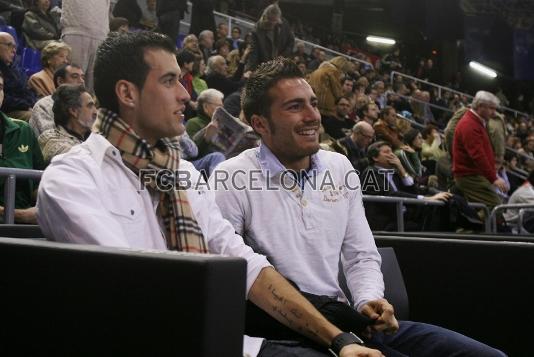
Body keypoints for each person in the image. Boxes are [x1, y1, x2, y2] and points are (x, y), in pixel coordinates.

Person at [35, 32, 380, 357]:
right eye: (170, 81)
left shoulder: (181, 174)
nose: (185, 94)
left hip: (227, 340)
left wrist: (339, 339)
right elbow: (134, 290)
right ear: (127, 94)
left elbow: (245, 266)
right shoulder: (72, 179)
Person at [212, 57, 504, 356]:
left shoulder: (338, 166)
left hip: (348, 319)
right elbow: (236, 278)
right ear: (259, 123)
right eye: (295, 106)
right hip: (284, 332)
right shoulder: (232, 176)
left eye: (313, 103)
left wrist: (368, 300)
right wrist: (337, 336)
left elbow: (361, 254)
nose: (313, 116)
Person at [0, 72, 45, 224]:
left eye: (0, 88)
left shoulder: (23, 130)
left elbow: (38, 184)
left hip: (25, 225)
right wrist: (16, 214)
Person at [452, 91, 508, 209]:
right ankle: (467, 227)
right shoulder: (470, 125)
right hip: (469, 176)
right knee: (495, 207)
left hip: (475, 174)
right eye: (491, 108)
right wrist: (494, 178)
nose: (494, 112)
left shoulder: (476, 122)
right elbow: (477, 155)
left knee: (492, 207)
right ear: (480, 106)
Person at [60, 0, 110, 92]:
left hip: (101, 33)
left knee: (94, 86)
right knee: (73, 79)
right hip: (76, 29)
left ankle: (92, 105)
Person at [38, 84, 97, 162]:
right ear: (73, 111)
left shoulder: (95, 136)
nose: (95, 112)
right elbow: (78, 159)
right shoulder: (50, 139)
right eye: (90, 106)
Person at [29, 63, 85, 137]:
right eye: (75, 77)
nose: (81, 81)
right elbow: (52, 139)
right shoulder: (43, 106)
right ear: (60, 81)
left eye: (82, 77)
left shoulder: (84, 105)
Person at [0, 31, 37, 121]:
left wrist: (31, 103)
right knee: (35, 118)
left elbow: (27, 90)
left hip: (23, 108)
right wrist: (26, 105)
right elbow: (4, 100)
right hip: (7, 111)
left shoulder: (16, 68)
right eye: (9, 45)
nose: (14, 50)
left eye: (15, 47)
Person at [246, 4, 294, 71]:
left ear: (278, 18)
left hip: (280, 65)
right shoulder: (256, 31)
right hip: (264, 67)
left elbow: (291, 42)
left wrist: (283, 56)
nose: (272, 23)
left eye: (274, 20)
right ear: (265, 17)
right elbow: (254, 54)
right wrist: (249, 70)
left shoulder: (284, 23)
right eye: (270, 20)